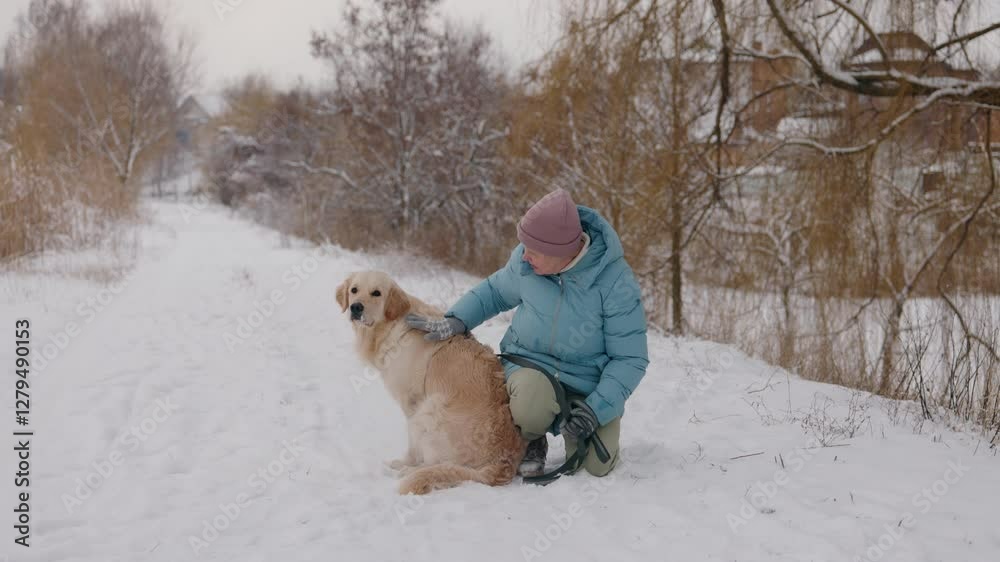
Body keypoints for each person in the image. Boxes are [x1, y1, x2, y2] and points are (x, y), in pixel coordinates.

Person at [405, 189, 649, 477]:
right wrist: (458, 319)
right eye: (524, 246)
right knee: (530, 405)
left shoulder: (614, 282)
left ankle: (576, 425)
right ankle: (530, 437)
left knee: (597, 465)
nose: (525, 255)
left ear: (562, 250)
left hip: (588, 383)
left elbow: (630, 359)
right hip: (530, 366)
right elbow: (494, 292)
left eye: (534, 249)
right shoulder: (526, 262)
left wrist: (596, 410)